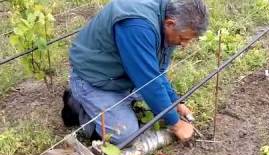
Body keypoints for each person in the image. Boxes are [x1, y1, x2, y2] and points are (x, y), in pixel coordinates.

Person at [63, 0, 209, 145]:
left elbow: (157, 73)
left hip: (121, 76)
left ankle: (109, 105)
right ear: (170, 24)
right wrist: (176, 124)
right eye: (183, 39)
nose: (184, 45)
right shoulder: (137, 26)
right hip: (94, 78)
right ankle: (77, 105)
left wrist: (175, 102)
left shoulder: (166, 19)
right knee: (124, 135)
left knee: (155, 100)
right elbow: (149, 82)